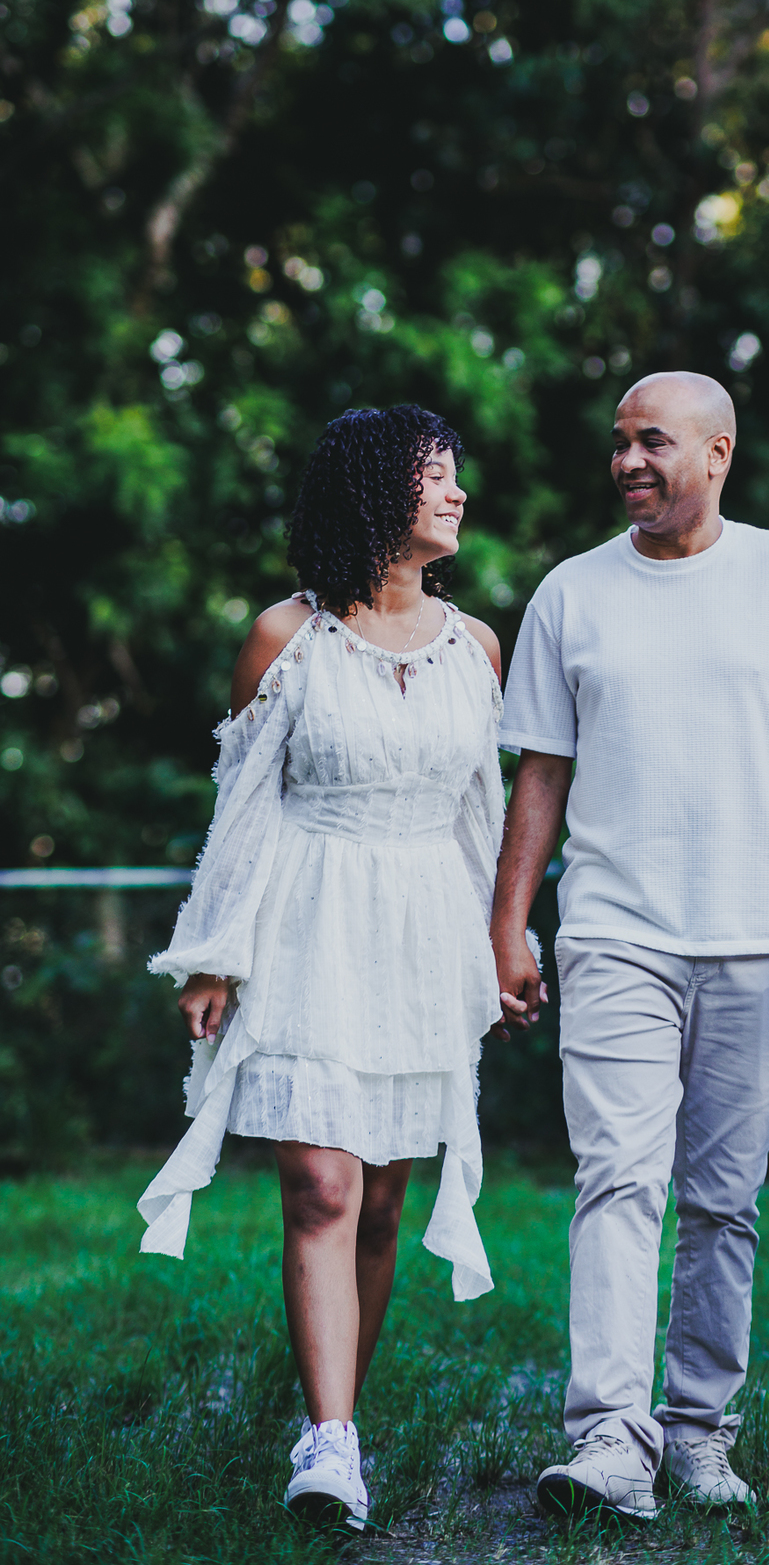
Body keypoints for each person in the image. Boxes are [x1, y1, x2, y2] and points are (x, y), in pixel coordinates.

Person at [490, 371, 769, 1521]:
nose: (626, 462)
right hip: (615, 930)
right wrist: (510, 923)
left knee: (725, 1199)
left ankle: (700, 1431)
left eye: (651, 442)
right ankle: (612, 1439)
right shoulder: (571, 593)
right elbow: (540, 778)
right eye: (617, 443)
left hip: (759, 939)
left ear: (717, 454)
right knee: (617, 1180)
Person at [137, 405, 506, 1531]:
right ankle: (330, 1443)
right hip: (308, 922)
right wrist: (210, 957)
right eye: (434, 478)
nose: (455, 495)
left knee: (385, 1203)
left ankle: (342, 1402)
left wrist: (505, 944)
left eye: (455, 477)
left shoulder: (478, 645)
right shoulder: (283, 636)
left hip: (424, 938)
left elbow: (479, 820)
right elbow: (241, 810)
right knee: (323, 1187)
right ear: (375, 494)